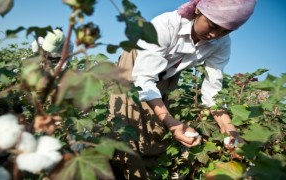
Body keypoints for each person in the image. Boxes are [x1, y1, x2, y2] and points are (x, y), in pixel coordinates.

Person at [108, 0, 257, 179]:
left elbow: (213, 91)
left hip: (169, 73)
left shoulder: (222, 44)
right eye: (212, 25)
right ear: (198, 11)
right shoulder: (165, 25)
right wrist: (172, 123)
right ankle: (121, 169)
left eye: (225, 31)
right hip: (136, 63)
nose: (214, 34)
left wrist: (229, 128)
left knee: (156, 132)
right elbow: (144, 79)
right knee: (128, 121)